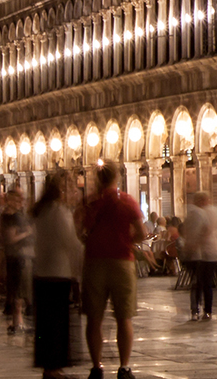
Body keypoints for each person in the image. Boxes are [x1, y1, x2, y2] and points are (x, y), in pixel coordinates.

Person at [80, 162, 145, 379]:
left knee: (94, 318)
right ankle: (124, 367)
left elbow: (78, 229)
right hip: (122, 261)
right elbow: (142, 233)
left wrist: (89, 240)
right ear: (117, 177)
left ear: (97, 178)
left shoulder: (90, 203)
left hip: (95, 262)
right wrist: (127, 240)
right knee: (124, 317)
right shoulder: (127, 201)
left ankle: (97, 367)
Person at [32, 168, 85, 379]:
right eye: (72, 189)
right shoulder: (59, 211)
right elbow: (70, 244)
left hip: (43, 272)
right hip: (57, 273)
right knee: (56, 324)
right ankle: (53, 369)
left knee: (47, 324)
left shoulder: (43, 210)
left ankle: (51, 367)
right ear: (62, 191)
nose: (74, 194)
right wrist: (82, 267)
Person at [183, 190, 217, 321]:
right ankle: (205, 310)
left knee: (200, 283)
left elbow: (207, 229)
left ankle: (199, 310)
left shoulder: (201, 212)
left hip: (204, 252)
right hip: (206, 253)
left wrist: (194, 244)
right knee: (204, 283)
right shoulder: (203, 212)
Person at [0, 188, 33, 334]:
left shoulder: (17, 215)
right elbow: (10, 238)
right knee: (18, 290)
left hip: (21, 255)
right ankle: (17, 322)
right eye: (17, 199)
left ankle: (18, 321)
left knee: (20, 290)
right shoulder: (9, 217)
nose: (20, 202)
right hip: (16, 255)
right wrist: (27, 233)